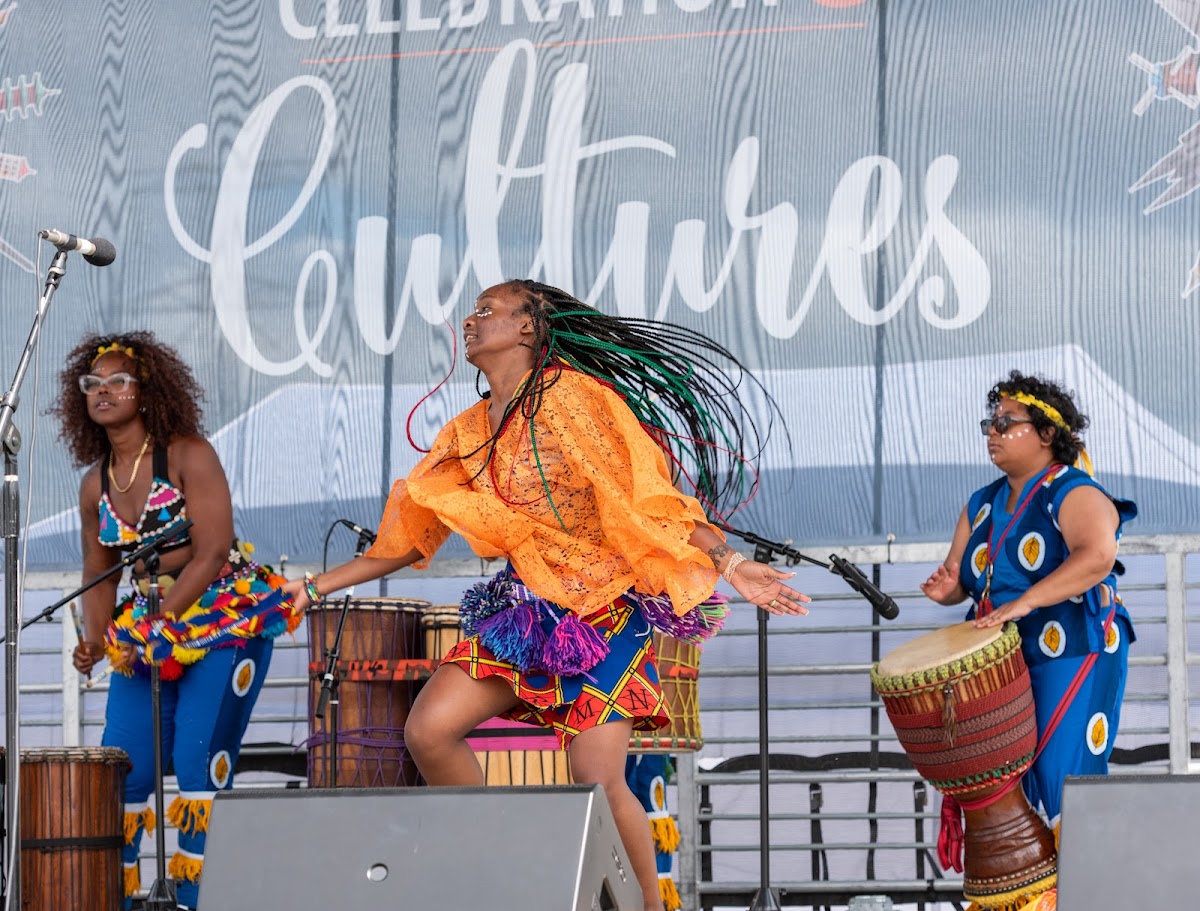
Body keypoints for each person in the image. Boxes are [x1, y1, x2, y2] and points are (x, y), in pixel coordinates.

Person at [284, 279, 810, 911]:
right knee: (429, 730)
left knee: (597, 781)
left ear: (528, 327)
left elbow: (648, 500)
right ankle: (501, 878)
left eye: (487, 311)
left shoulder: (573, 399)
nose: (470, 322)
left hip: (605, 610)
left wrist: (728, 561)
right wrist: (313, 587)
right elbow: (405, 539)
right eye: (472, 312)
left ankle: (650, 906)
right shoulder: (470, 431)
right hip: (528, 612)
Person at [55, 332, 300, 909]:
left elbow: (214, 548)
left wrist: (158, 621)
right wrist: (95, 641)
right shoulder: (95, 483)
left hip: (221, 617)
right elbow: (100, 571)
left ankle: (198, 901)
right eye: (94, 383)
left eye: (119, 381)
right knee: (127, 771)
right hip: (146, 631)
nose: (104, 391)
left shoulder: (188, 453)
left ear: (147, 391)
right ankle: (121, 900)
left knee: (197, 763)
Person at [920, 370, 1136, 831]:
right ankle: (1031, 897)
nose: (992, 433)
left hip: (1075, 646)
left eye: (1006, 423)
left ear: (1046, 434)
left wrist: (1027, 601)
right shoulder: (981, 503)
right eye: (989, 424)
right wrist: (948, 591)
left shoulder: (1071, 489)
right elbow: (963, 580)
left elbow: (1097, 556)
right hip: (1004, 659)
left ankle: (1076, 894)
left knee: (1064, 777)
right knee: (1012, 788)